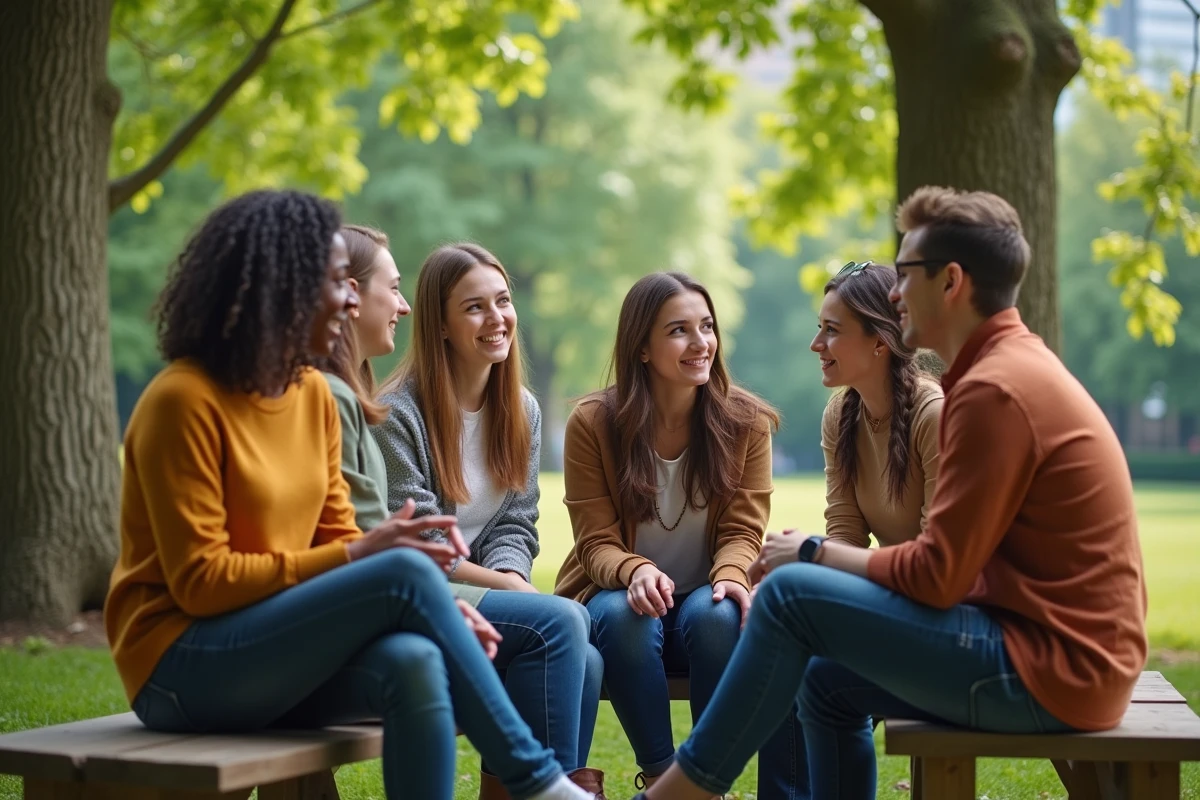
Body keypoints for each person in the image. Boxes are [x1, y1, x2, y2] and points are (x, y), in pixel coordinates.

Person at [632, 186, 1148, 800]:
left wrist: (813, 555)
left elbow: (939, 576)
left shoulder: (993, 391)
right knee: (824, 680)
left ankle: (676, 793)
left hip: (1054, 669)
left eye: (905, 274)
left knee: (793, 593)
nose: (896, 292)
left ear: (951, 281)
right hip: (1044, 650)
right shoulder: (998, 371)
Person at [105, 190, 594, 800]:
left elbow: (340, 540)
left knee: (414, 662)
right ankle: (540, 782)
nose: (350, 298)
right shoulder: (183, 401)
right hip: (180, 664)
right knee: (399, 571)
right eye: (338, 282)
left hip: (276, 650)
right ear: (283, 287)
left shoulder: (311, 395)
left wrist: (439, 611)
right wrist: (366, 565)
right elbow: (203, 584)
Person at [554, 271, 801, 798]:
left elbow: (743, 529)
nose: (700, 343)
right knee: (626, 614)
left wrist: (733, 575)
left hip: (698, 608)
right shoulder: (593, 423)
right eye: (679, 331)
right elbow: (595, 541)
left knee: (717, 615)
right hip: (614, 606)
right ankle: (668, 778)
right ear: (641, 347)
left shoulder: (746, 422)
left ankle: (706, 779)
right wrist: (635, 570)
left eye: (707, 326)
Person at [372, 242, 605, 799]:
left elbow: (514, 525)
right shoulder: (396, 413)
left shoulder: (520, 409)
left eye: (502, 301)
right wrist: (507, 587)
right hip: (423, 596)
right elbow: (422, 538)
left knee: (590, 662)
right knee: (565, 623)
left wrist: (514, 580)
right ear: (441, 325)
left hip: (481, 590)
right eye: (474, 307)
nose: (496, 318)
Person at [811, 262, 942, 548]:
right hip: (888, 581)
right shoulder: (839, 415)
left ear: (880, 343)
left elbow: (935, 558)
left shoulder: (933, 416)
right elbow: (845, 533)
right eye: (819, 327)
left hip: (941, 588)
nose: (816, 344)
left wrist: (810, 556)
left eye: (831, 330)